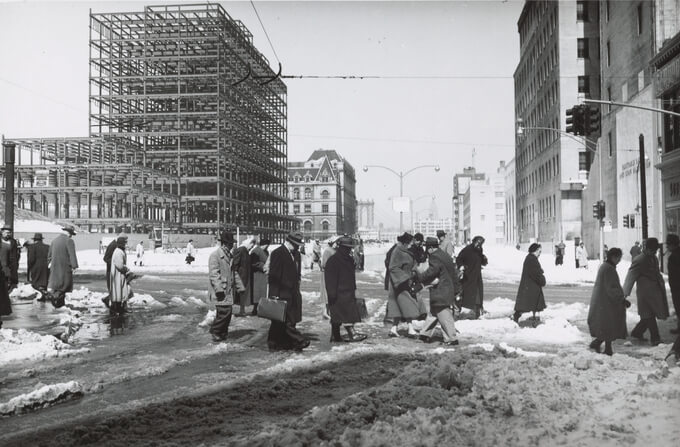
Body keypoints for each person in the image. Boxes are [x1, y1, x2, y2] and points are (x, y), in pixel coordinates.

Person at [267, 231, 310, 351]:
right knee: (285, 320)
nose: (296, 247)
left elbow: (297, 272)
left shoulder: (295, 253)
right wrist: (274, 294)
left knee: (281, 321)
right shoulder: (278, 253)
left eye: (298, 245)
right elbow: (273, 275)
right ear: (287, 241)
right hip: (281, 292)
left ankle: (276, 342)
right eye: (295, 244)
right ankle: (298, 340)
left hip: (293, 291)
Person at [622, 237, 669, 346]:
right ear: (646, 248)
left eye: (655, 250)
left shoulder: (654, 258)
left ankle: (637, 332)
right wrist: (625, 292)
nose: (653, 252)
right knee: (648, 314)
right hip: (645, 293)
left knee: (648, 314)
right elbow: (631, 276)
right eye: (652, 250)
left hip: (655, 291)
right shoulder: (639, 259)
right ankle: (655, 338)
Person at [417, 237, 460, 346]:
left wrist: (419, 277)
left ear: (431, 248)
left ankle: (451, 338)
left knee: (443, 313)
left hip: (441, 289)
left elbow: (432, 272)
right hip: (448, 288)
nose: (426, 250)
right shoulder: (444, 255)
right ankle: (424, 334)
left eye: (427, 248)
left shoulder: (435, 257)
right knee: (434, 312)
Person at [587, 248, 629, 356]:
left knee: (606, 325)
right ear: (614, 257)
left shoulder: (605, 266)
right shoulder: (609, 269)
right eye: (619, 258)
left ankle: (600, 344)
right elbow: (612, 288)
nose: (619, 260)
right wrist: (622, 300)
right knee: (609, 324)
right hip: (607, 302)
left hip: (604, 301)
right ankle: (607, 348)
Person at [325, 236, 366, 342]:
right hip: (338, 293)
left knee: (337, 316)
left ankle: (335, 335)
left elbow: (351, 276)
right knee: (346, 314)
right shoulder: (333, 260)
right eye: (346, 247)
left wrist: (354, 288)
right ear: (341, 247)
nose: (349, 250)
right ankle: (351, 333)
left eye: (350, 248)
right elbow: (329, 279)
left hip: (348, 291)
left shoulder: (349, 259)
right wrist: (331, 294)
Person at [385, 232, 426, 338]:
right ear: (404, 243)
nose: (411, 245)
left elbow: (412, 265)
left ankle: (394, 329)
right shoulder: (397, 251)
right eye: (409, 243)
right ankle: (411, 329)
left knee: (400, 308)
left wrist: (416, 273)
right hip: (399, 283)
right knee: (408, 305)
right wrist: (405, 278)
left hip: (404, 282)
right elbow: (393, 267)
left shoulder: (405, 251)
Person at [208, 230, 243, 342]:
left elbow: (234, 272)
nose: (232, 246)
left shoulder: (230, 255)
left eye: (232, 244)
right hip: (221, 290)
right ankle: (216, 331)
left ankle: (222, 332)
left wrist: (240, 286)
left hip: (228, 289)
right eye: (230, 244)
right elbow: (214, 274)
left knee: (227, 312)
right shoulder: (215, 255)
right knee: (224, 312)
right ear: (224, 243)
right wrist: (218, 289)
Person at [512, 243, 546, 325]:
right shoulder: (532, 259)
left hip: (530, 286)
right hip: (531, 287)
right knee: (530, 304)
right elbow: (536, 274)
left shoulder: (530, 258)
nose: (540, 254)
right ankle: (531, 321)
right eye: (539, 251)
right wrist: (542, 280)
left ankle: (527, 318)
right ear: (535, 250)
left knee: (528, 304)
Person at [47, 224, 79, 308]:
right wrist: (74, 266)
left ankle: (58, 303)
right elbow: (72, 255)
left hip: (55, 268)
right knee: (64, 286)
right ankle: (56, 300)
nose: (71, 235)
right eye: (71, 233)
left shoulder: (54, 241)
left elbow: (49, 255)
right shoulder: (69, 241)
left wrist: (49, 264)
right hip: (65, 268)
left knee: (57, 286)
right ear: (68, 232)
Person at [456, 235, 488, 319]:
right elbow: (459, 259)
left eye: (481, 243)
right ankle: (464, 311)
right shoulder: (467, 250)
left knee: (478, 292)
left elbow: (480, 257)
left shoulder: (479, 249)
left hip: (477, 274)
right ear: (474, 241)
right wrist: (461, 266)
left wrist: (484, 260)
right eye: (478, 243)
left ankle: (477, 310)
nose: (479, 245)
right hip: (469, 275)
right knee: (468, 293)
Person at [232, 236, 255, 316]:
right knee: (241, 293)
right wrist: (236, 274)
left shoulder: (245, 250)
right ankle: (241, 311)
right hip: (241, 276)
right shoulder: (241, 250)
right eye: (251, 246)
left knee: (243, 293)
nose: (251, 248)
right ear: (249, 244)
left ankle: (242, 310)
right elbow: (235, 263)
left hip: (244, 275)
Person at [109, 236, 132, 316]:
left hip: (118, 275)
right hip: (118, 275)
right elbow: (120, 265)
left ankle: (119, 308)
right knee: (118, 292)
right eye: (125, 243)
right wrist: (126, 269)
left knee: (119, 292)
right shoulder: (118, 252)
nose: (126, 244)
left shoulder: (119, 251)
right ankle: (117, 309)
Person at [320, 236, 340, 320]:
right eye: (336, 242)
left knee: (329, 292)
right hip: (326, 273)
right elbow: (324, 263)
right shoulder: (328, 250)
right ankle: (325, 312)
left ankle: (327, 311)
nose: (337, 244)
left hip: (331, 274)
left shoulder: (333, 250)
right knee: (325, 291)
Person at [250, 238, 270, 316]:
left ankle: (260, 309)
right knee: (257, 293)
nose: (267, 247)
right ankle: (255, 309)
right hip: (257, 275)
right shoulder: (256, 251)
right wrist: (262, 266)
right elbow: (253, 263)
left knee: (263, 293)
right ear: (263, 244)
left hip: (263, 275)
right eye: (266, 245)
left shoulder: (266, 252)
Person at [27, 233, 49, 299]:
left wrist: (30, 267)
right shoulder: (47, 247)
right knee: (44, 281)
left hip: (35, 267)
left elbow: (31, 259)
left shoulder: (32, 247)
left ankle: (38, 297)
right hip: (45, 267)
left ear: (34, 240)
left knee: (36, 283)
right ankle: (44, 295)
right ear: (41, 240)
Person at [666, 234, 680, 335]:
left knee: (678, 307)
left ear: (672, 244)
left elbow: (674, 275)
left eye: (668, 244)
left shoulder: (673, 257)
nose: (666, 246)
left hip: (677, 288)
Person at [0, 226, 21, 292]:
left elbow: (16, 254)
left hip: (9, 266)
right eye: (7, 232)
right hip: (1, 263)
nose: (8, 234)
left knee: (7, 282)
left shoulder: (13, 242)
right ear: (2, 232)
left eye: (9, 233)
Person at [102, 236, 119, 308]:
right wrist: (114, 264)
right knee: (113, 289)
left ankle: (114, 305)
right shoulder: (113, 245)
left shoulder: (115, 245)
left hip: (113, 271)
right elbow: (106, 258)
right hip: (110, 271)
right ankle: (111, 304)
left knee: (115, 289)